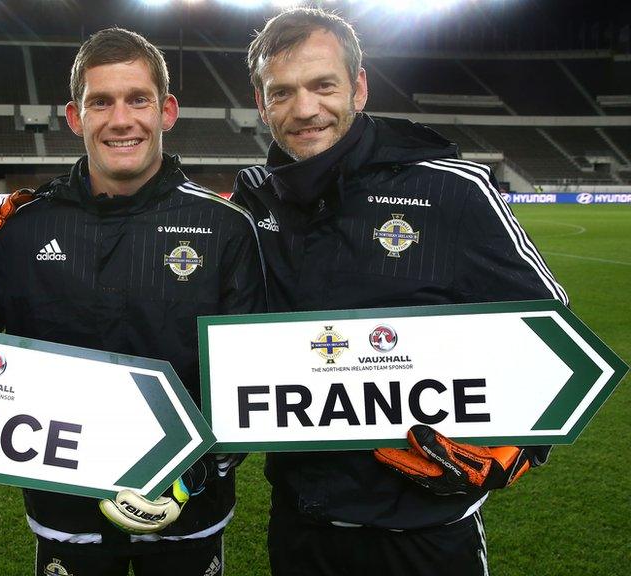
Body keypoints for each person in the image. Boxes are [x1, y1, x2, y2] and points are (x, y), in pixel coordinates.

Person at [231, 8, 569, 576]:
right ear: (262, 104)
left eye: (323, 85)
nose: (305, 108)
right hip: (301, 527)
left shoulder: (449, 190)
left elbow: (551, 331)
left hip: (426, 534)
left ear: (359, 88)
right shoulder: (256, 204)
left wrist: (519, 443)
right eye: (282, 92)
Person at [0, 27, 266, 576]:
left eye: (139, 99)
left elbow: (246, 380)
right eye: (100, 102)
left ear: (168, 110)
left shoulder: (226, 228)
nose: (121, 119)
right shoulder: (23, 230)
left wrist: (192, 472)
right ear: (74, 116)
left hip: (190, 509)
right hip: (66, 509)